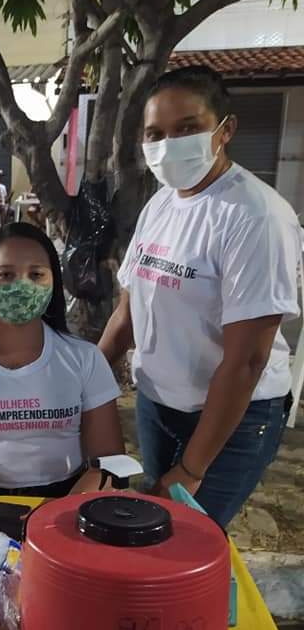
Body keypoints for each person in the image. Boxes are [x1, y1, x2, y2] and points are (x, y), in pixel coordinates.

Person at [98, 65, 300, 529]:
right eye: (155, 133)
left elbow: (247, 359)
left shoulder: (256, 216)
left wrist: (192, 468)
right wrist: (83, 380)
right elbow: (128, 312)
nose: (169, 145)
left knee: (187, 538)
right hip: (158, 405)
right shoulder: (163, 202)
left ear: (225, 129)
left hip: (233, 420)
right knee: (155, 526)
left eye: (187, 128)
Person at [0, 222, 124, 567]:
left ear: (54, 285)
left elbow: (108, 461)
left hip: (69, 498)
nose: (21, 286)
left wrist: (66, 511)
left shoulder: (84, 359)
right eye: (5, 275)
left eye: (36, 275)